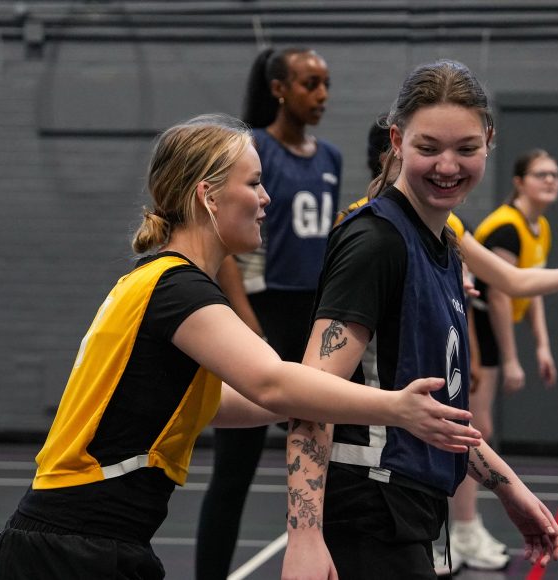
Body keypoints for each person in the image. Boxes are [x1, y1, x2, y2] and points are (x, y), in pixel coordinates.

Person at [0, 114, 481, 580]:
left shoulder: (157, 281)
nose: (266, 198)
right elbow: (271, 383)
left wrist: (321, 395)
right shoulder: (177, 289)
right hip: (73, 546)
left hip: (93, 541)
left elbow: (222, 404)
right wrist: (394, 407)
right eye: (253, 183)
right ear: (207, 195)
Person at [282, 60, 558, 580]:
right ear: (397, 139)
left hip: (413, 507)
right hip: (366, 510)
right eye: (429, 148)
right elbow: (308, 396)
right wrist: (304, 537)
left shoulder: (445, 251)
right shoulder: (375, 243)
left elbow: (438, 416)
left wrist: (509, 488)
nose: (447, 165)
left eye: (466, 149)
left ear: (490, 141)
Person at [195, 47, 343, 579]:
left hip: (312, 319)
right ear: (280, 88)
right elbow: (226, 247)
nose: (322, 94)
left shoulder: (329, 157)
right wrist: (246, 326)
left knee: (320, 458)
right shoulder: (254, 150)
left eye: (326, 83)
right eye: (309, 83)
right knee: (233, 474)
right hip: (259, 313)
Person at [444, 149, 558, 573]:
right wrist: (510, 359)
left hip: (494, 336)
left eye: (555, 175)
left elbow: (530, 289)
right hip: (477, 333)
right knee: (471, 432)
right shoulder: (505, 229)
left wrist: (542, 346)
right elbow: (498, 293)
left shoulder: (539, 227)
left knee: (478, 430)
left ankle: (463, 527)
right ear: (519, 181)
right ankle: (458, 528)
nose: (551, 181)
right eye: (541, 174)